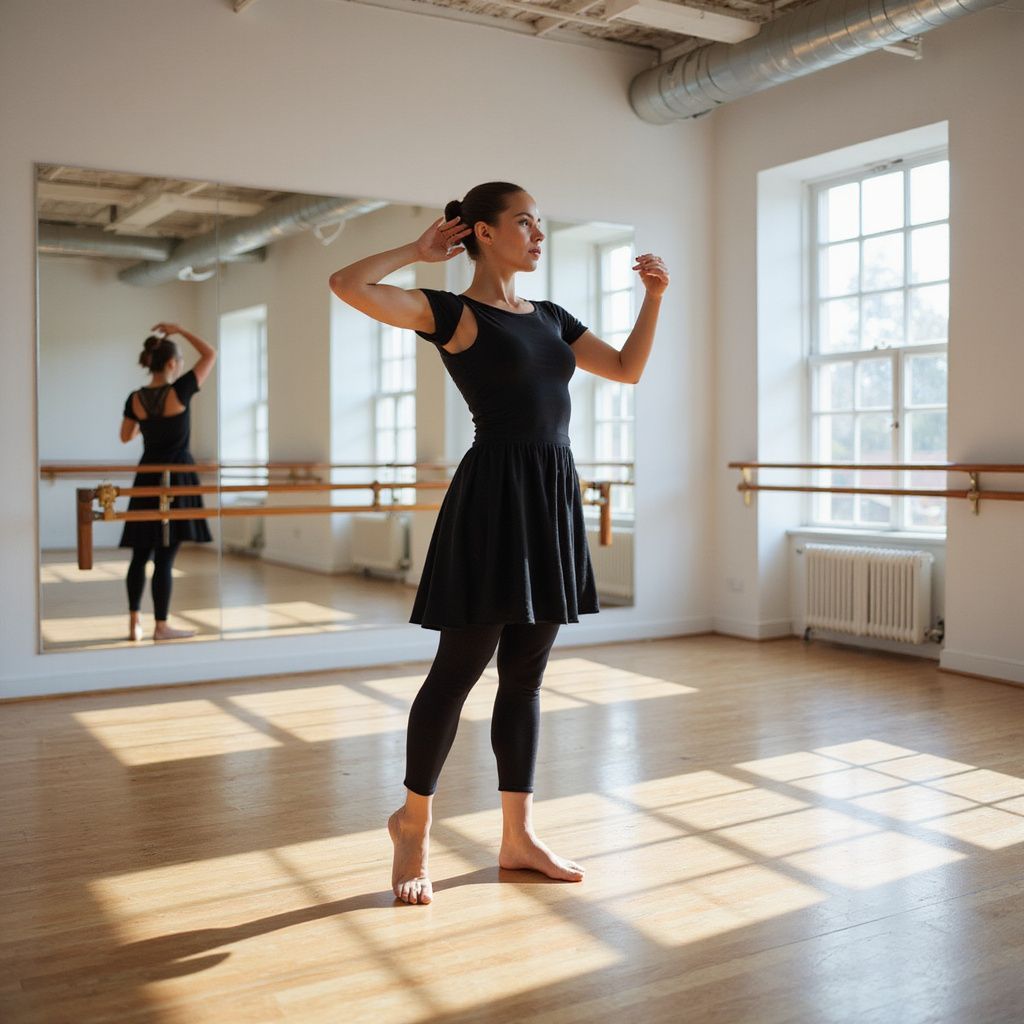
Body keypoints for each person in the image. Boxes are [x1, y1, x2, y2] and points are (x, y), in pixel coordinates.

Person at [329, 182, 668, 905]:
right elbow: (346, 284)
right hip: (492, 501)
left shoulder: (550, 318)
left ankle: (518, 835)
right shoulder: (451, 312)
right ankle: (412, 824)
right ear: (481, 231)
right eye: (523, 222)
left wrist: (656, 298)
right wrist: (417, 252)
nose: (537, 234)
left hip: (550, 498)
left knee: (526, 678)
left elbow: (628, 369)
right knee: (458, 671)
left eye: (540, 223)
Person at [119, 323, 216, 642]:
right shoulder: (181, 390)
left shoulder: (136, 398)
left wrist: (147, 424)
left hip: (147, 475)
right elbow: (210, 353)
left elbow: (125, 436)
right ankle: (161, 626)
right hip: (177, 477)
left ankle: (134, 621)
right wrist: (179, 329)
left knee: (140, 554)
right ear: (172, 363)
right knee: (165, 556)